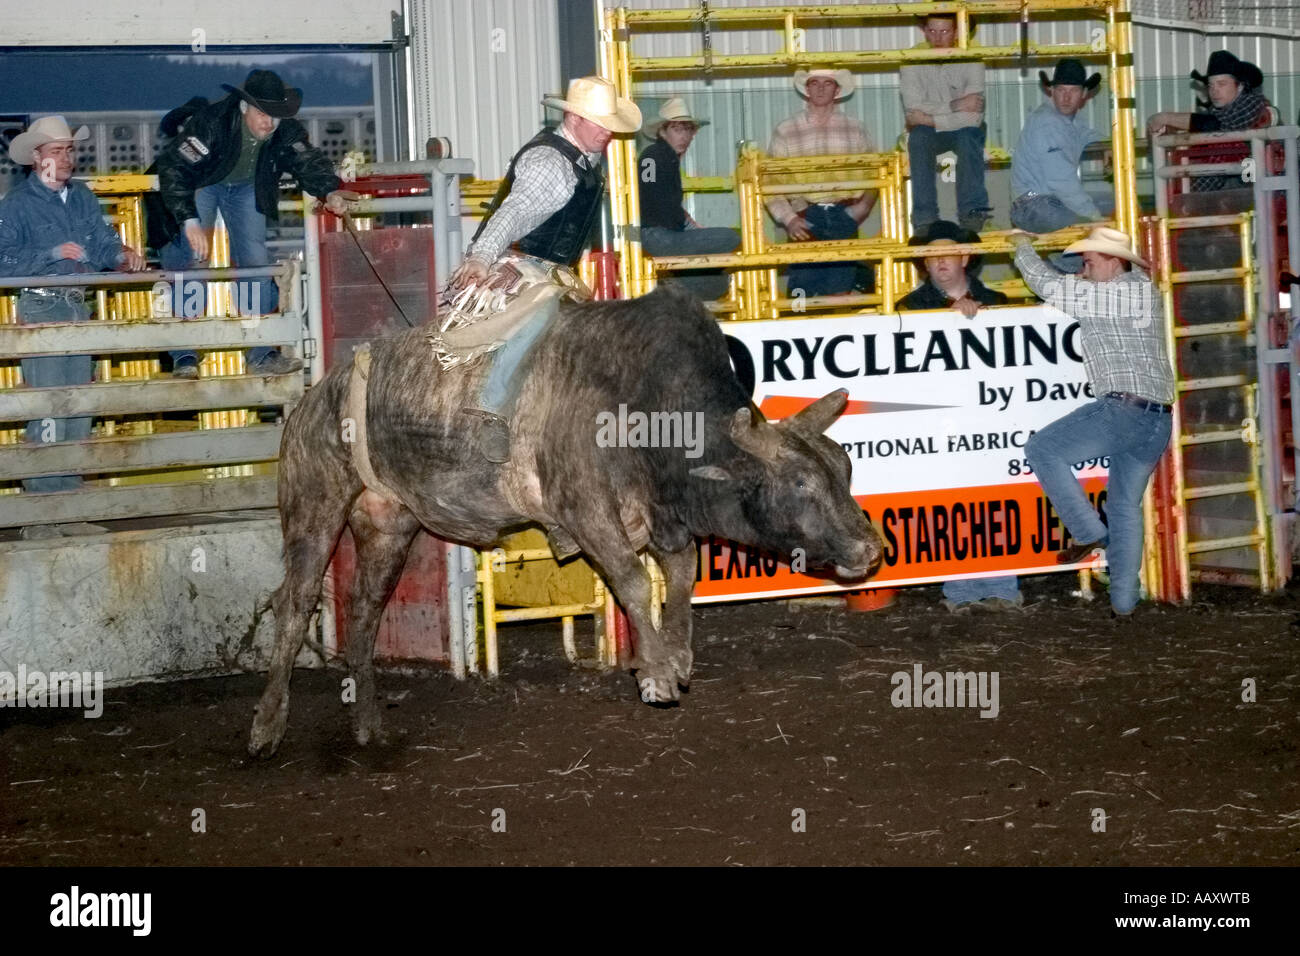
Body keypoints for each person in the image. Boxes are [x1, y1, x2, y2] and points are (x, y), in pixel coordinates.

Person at [445, 76, 641, 462]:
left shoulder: (582, 156)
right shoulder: (551, 164)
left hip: (550, 270)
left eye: (608, 124)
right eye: (597, 122)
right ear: (572, 117)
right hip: (520, 265)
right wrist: (481, 258)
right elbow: (512, 214)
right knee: (540, 313)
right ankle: (491, 408)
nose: (606, 132)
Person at [1011, 226, 1175, 617]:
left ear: (1113, 262)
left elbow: (1048, 286)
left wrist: (1021, 245)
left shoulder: (1116, 293)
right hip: (1156, 420)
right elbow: (1072, 290)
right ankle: (1123, 603)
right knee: (1124, 505)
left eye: (1089, 261)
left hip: (1124, 410)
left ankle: (1087, 532)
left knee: (1042, 448)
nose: (1083, 268)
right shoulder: (1137, 290)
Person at [0, 115, 147, 539]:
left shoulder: (81, 196)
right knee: (48, 408)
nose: (67, 158)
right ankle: (44, 512)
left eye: (70, 150)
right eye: (59, 151)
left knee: (78, 407)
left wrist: (120, 254)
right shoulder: (15, 204)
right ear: (37, 158)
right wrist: (49, 253)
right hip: (43, 308)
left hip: (77, 308)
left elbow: (100, 242)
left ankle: (68, 504)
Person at [155, 69, 350, 377]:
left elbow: (305, 160)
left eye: (274, 115)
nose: (269, 122)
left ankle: (259, 352)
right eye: (263, 113)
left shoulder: (283, 130)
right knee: (193, 259)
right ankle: (185, 352)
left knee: (256, 262)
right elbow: (176, 168)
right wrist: (189, 219)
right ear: (244, 108)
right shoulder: (212, 122)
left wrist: (330, 190)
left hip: (246, 188)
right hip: (204, 182)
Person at [898, 221, 1018, 612]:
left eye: (947, 252)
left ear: (965, 257)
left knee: (995, 499)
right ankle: (963, 591)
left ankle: (1000, 587)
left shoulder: (999, 303)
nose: (940, 261)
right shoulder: (907, 309)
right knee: (955, 501)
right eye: (931, 255)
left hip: (989, 419)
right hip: (939, 422)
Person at [766, 68, 877, 298]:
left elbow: (875, 172)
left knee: (840, 289)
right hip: (805, 216)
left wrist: (862, 207)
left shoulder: (855, 128)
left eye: (827, 83)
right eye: (814, 82)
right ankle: (796, 326)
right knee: (800, 294)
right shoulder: (785, 130)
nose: (820, 88)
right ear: (807, 89)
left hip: (844, 214)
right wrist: (790, 219)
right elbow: (769, 181)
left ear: (837, 90)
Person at [637, 97, 740, 301]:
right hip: (659, 235)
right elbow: (654, 198)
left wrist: (687, 223)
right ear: (663, 131)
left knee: (716, 282)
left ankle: (667, 290)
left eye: (687, 130)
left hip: (656, 234)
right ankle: (667, 288)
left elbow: (656, 198)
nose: (684, 136)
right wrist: (687, 225)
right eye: (677, 129)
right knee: (732, 238)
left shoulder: (657, 156)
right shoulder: (657, 156)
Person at [900, 9, 991, 234]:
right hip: (936, 129)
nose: (937, 38)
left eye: (944, 31)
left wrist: (930, 119)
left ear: (957, 32)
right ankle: (924, 217)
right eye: (931, 31)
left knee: (968, 135)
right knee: (920, 138)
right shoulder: (910, 60)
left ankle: (972, 212)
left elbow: (973, 116)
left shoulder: (973, 58)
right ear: (924, 31)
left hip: (955, 127)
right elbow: (912, 109)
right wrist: (955, 105)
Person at [1146, 50, 1276, 192]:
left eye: (1221, 84)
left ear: (1240, 86)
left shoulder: (1252, 104)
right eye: (1211, 85)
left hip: (1266, 189)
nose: (1214, 91)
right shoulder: (1222, 111)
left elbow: (1214, 124)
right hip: (1248, 187)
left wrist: (1166, 118)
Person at [1010, 59, 1106, 237]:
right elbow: (1061, 181)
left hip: (1048, 201)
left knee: (1115, 204)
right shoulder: (1048, 123)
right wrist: (1094, 216)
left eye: (1074, 90)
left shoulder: (1071, 120)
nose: (1066, 97)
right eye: (1061, 90)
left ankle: (1065, 263)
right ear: (1051, 91)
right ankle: (1079, 263)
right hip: (1032, 203)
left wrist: (1110, 147)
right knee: (1085, 233)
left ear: (1084, 93)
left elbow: (1086, 135)